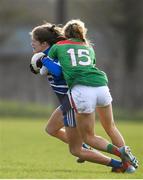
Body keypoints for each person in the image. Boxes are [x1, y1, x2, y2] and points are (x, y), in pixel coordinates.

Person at [29, 22, 132, 172]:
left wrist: (42, 62)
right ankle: (88, 148)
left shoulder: (56, 52)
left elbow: (58, 71)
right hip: (72, 99)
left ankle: (120, 164)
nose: (31, 43)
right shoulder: (57, 50)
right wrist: (38, 64)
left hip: (72, 100)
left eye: (34, 40)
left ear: (44, 43)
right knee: (51, 129)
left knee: (76, 150)